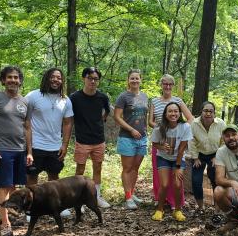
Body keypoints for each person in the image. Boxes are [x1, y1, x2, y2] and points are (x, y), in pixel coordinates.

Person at [0, 66, 33, 236]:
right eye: (9, 77)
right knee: (4, 187)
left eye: (16, 78)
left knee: (13, 187)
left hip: (20, 151)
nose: (13, 80)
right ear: (3, 80)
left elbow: (27, 128)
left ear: (20, 81)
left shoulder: (25, 102)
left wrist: (29, 152)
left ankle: (7, 214)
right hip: (2, 150)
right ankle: (5, 225)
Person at [25, 68, 74, 217]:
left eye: (59, 78)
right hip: (36, 145)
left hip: (55, 146)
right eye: (52, 77)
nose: (55, 80)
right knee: (32, 178)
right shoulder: (33, 96)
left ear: (62, 81)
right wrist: (28, 149)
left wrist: (65, 145)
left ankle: (56, 206)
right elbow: (26, 121)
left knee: (54, 178)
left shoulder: (65, 99)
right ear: (46, 78)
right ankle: (31, 208)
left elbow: (67, 123)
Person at [148, 74, 193, 208]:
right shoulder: (154, 101)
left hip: (177, 143)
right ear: (161, 85)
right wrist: (161, 129)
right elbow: (150, 121)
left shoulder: (178, 101)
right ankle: (161, 199)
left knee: (176, 175)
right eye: (165, 84)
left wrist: (182, 130)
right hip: (160, 141)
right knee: (159, 174)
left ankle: (175, 202)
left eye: (170, 84)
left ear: (173, 86)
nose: (167, 86)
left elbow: (190, 118)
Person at [69, 67, 111, 208]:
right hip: (82, 140)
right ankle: (78, 200)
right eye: (90, 78)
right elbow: (68, 116)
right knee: (80, 170)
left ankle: (96, 197)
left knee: (97, 168)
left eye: (95, 79)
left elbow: (107, 111)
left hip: (99, 139)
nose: (92, 81)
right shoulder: (74, 97)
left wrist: (100, 121)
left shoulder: (102, 97)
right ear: (84, 79)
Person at [151, 102, 193, 222]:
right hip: (163, 158)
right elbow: (154, 144)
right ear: (165, 114)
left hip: (178, 159)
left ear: (180, 113)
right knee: (164, 184)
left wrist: (178, 167)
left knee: (178, 184)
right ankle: (160, 210)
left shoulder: (185, 127)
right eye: (170, 111)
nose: (173, 113)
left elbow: (181, 149)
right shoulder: (159, 127)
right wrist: (162, 146)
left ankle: (178, 210)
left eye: (175, 111)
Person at [114, 69, 149, 210]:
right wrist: (131, 129)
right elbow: (117, 117)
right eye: (132, 78)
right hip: (127, 138)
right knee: (127, 168)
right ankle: (128, 197)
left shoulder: (145, 96)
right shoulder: (123, 96)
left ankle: (132, 193)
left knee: (135, 168)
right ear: (128, 80)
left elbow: (145, 117)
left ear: (141, 80)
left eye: (137, 78)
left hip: (142, 138)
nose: (135, 81)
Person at [189, 101, 226, 213]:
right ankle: (200, 207)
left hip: (215, 154)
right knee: (196, 181)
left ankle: (217, 210)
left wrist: (218, 157)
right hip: (199, 154)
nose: (208, 113)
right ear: (201, 111)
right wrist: (195, 158)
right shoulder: (194, 124)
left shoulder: (221, 124)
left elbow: (223, 141)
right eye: (206, 110)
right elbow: (191, 141)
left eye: (211, 111)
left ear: (214, 113)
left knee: (216, 180)